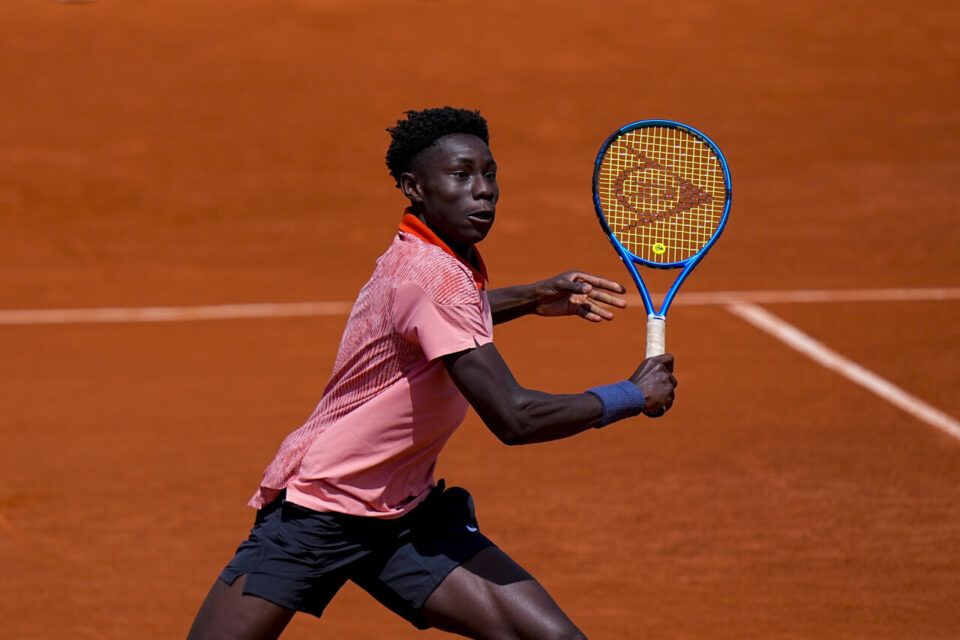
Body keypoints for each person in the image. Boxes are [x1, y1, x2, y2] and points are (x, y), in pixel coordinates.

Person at [187, 107, 677, 640]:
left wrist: (533, 297)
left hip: (404, 519)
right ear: (414, 186)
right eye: (461, 175)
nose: (483, 191)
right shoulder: (433, 275)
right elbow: (515, 417)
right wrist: (630, 394)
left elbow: (445, 315)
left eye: (489, 174)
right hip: (320, 511)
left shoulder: (434, 256)